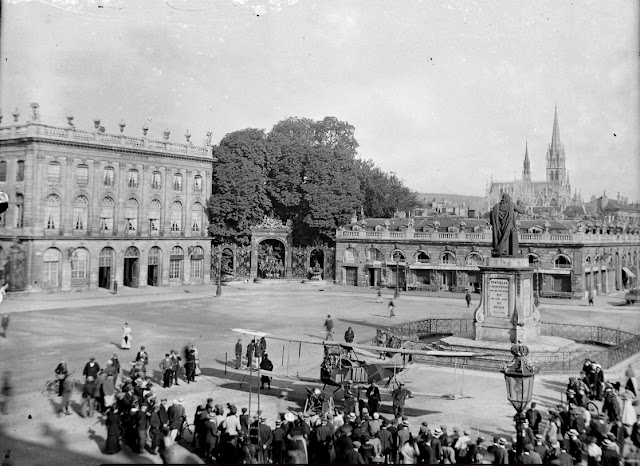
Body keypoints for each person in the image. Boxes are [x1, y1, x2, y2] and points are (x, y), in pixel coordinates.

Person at [489, 193, 526, 257]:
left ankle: (501, 250)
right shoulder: (512, 205)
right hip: (508, 226)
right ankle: (506, 251)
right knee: (508, 238)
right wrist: (521, 205)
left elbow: (492, 220)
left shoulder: (496, 206)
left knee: (502, 239)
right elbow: (522, 211)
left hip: (499, 229)